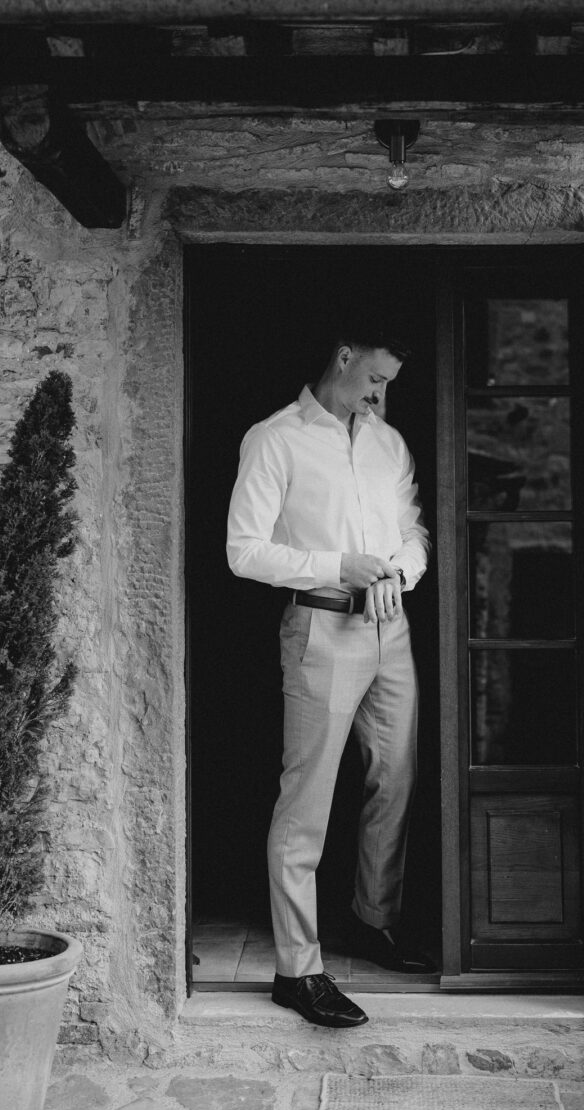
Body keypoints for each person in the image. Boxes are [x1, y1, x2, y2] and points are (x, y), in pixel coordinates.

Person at [226, 325, 433, 1029]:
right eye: (375, 378)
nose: (380, 395)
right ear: (344, 356)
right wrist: (335, 567)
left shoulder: (388, 442)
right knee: (307, 798)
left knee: (396, 777)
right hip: (318, 626)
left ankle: (373, 921)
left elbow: (414, 533)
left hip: (391, 629)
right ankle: (298, 968)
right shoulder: (274, 438)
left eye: (388, 385)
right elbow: (243, 551)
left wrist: (397, 573)